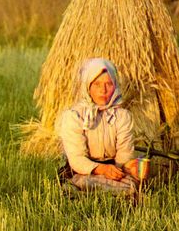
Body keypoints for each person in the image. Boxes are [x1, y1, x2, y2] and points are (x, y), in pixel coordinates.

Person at [57, 58, 142, 195]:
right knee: (88, 183)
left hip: (113, 169)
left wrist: (125, 168)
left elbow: (124, 153)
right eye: (97, 84)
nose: (103, 90)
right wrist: (101, 169)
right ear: (88, 86)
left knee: (133, 184)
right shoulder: (74, 116)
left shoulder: (122, 116)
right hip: (83, 171)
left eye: (108, 84)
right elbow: (77, 158)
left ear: (115, 86)